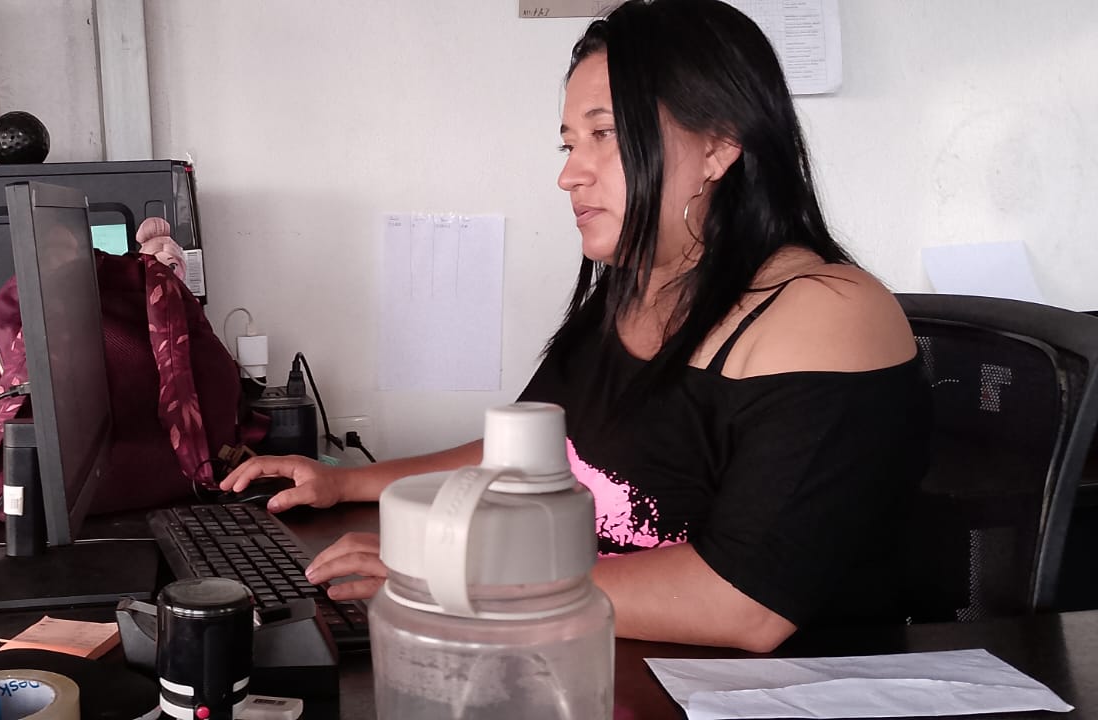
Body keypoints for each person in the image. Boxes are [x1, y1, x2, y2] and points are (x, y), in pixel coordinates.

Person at [222, 0, 930, 653]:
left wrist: (455, 580)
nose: (571, 175)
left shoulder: (826, 311)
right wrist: (346, 484)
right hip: (605, 660)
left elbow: (744, 603)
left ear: (719, 146)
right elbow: (532, 451)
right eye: (569, 144)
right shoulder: (637, 286)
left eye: (605, 135)